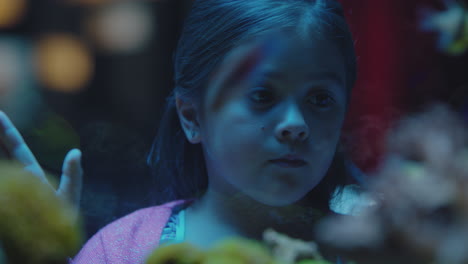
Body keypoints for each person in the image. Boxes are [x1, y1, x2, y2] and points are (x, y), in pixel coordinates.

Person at [1, 0, 366, 263]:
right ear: (191, 116)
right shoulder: (124, 252)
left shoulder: (378, 250)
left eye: (320, 99)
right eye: (262, 95)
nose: (295, 125)